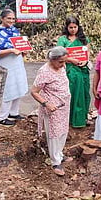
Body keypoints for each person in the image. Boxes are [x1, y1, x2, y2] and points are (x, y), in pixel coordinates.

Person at [30, 46, 72, 176]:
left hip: (64, 106)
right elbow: (34, 92)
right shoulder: (44, 72)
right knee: (54, 133)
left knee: (63, 130)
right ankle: (55, 161)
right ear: (52, 60)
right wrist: (46, 103)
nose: (63, 64)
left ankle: (59, 153)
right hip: (53, 108)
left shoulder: (61, 66)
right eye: (60, 62)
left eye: (64, 61)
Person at [0, 9, 28, 127]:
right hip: (5, 64)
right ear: (2, 19)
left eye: (13, 19)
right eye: (8, 18)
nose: (11, 21)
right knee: (8, 90)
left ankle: (13, 113)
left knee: (18, 87)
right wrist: (10, 50)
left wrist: (24, 51)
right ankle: (1, 117)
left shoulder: (15, 31)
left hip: (17, 64)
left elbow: (20, 46)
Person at [57, 17, 91, 128]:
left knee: (84, 93)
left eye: (75, 27)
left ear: (78, 27)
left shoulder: (83, 38)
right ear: (67, 27)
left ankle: (82, 118)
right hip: (69, 70)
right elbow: (59, 55)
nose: (73, 29)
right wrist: (71, 60)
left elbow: (87, 52)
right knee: (71, 93)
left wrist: (85, 61)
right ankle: (69, 119)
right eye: (70, 27)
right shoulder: (62, 39)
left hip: (82, 70)